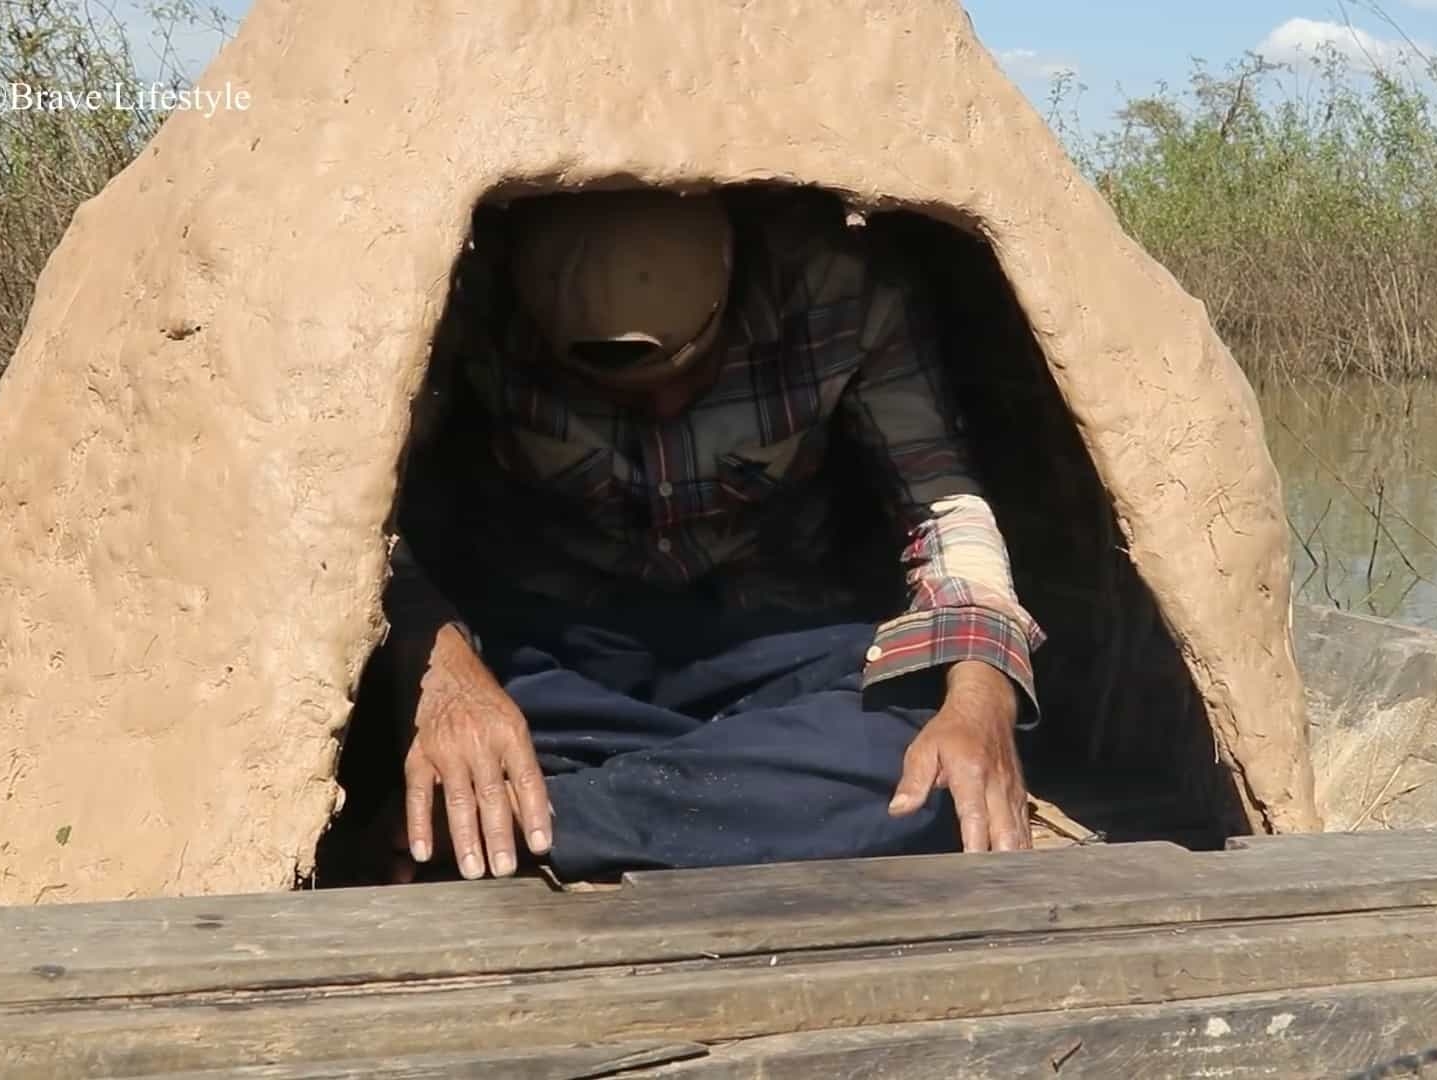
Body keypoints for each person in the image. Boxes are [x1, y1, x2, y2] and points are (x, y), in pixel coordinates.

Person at [384, 187, 1045, 883]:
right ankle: (738, 795)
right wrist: (446, 679)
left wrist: (981, 693)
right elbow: (370, 526)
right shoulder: (458, 302)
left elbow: (938, 501)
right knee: (459, 737)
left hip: (778, 646)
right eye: (622, 395)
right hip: (557, 660)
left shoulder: (843, 295)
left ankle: (550, 819)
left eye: (693, 366)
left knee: (926, 758)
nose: (665, 407)